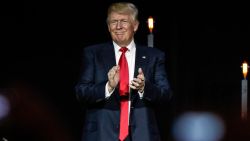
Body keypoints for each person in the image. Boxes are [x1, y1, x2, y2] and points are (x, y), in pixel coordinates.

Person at [75, 2, 172, 141]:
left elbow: (166, 94)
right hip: (102, 135)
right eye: (114, 22)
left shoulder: (154, 56)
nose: (118, 26)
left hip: (142, 135)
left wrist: (144, 87)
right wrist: (108, 86)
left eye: (124, 21)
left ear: (136, 26)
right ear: (109, 27)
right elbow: (81, 92)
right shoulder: (93, 53)